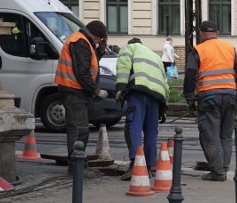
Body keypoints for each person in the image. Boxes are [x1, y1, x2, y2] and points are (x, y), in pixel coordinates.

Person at [183, 20, 237, 181]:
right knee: (225, 135)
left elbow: (189, 76)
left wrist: (190, 100)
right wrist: (236, 94)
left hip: (209, 97)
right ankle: (223, 168)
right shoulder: (229, 48)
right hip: (230, 96)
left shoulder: (197, 50)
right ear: (217, 33)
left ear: (201, 34)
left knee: (210, 135)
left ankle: (217, 172)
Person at [54, 19, 109, 174]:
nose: (99, 42)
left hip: (76, 91)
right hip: (73, 91)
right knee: (78, 129)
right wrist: (96, 90)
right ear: (96, 35)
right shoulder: (79, 42)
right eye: (100, 39)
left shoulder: (84, 42)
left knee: (80, 128)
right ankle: (75, 166)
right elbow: (82, 72)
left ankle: (78, 164)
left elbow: (88, 64)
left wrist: (101, 51)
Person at [116, 38, 169, 180]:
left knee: (134, 127)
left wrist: (120, 88)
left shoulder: (130, 48)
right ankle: (148, 167)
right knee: (151, 132)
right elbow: (165, 82)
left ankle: (135, 165)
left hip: (138, 92)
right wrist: (163, 107)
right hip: (156, 96)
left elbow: (123, 67)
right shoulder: (155, 56)